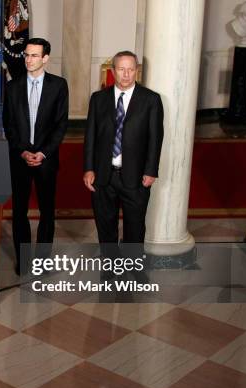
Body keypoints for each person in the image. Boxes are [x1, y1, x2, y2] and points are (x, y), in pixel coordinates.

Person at [83, 51, 163, 259]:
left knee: (135, 228)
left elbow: (156, 138)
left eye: (131, 69)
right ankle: (110, 266)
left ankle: (133, 266)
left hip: (136, 176)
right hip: (103, 176)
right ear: (112, 71)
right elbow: (90, 136)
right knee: (105, 226)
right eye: (121, 69)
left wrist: (151, 170)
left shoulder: (151, 100)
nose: (126, 74)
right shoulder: (98, 99)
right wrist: (89, 169)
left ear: (136, 70)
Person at [3, 37, 69, 275]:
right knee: (19, 211)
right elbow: (8, 125)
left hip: (46, 159)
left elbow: (61, 125)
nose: (29, 60)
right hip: (19, 159)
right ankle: (23, 260)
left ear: (45, 58)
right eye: (27, 55)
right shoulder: (12, 86)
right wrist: (23, 151)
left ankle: (42, 261)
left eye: (34, 55)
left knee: (47, 212)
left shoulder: (59, 86)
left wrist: (42, 152)